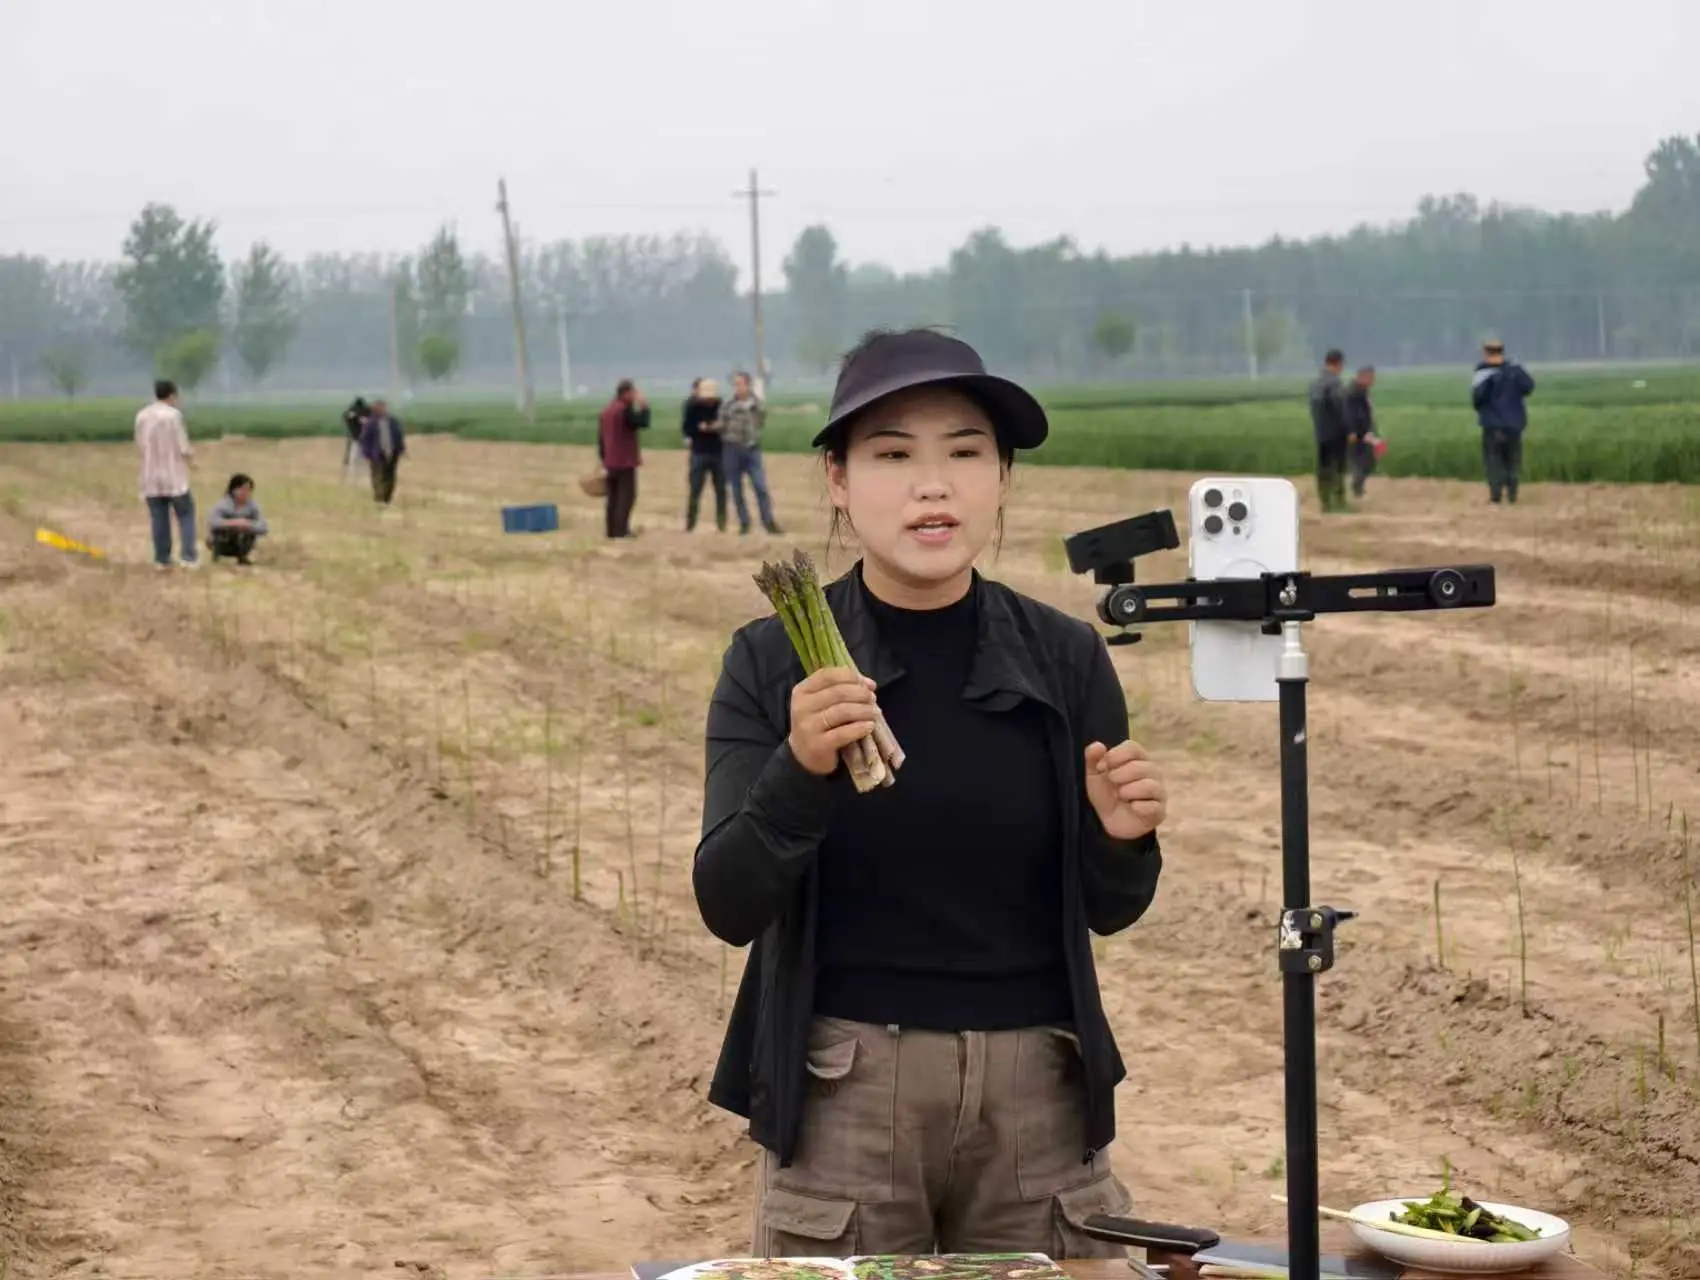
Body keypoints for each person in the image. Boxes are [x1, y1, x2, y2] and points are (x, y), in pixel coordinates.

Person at [693, 327, 1168, 1257]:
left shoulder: (1064, 659)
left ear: (1000, 479)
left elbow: (1111, 909)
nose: (932, 484)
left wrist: (1121, 840)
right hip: (845, 1097)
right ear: (837, 478)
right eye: (892, 453)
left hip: (1041, 1098)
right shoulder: (773, 658)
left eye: (965, 452)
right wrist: (802, 766)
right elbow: (727, 899)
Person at [135, 378, 199, 570]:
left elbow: (140, 444)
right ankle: (188, 557)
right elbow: (183, 446)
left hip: (151, 476)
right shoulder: (173, 416)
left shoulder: (142, 415)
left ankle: (162, 559)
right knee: (186, 514)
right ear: (172, 395)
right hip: (174, 476)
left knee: (159, 518)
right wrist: (193, 461)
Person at [1471, 340, 1536, 504]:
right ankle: (1513, 496)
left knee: (1493, 460)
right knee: (1513, 460)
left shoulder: (1482, 372)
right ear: (1502, 351)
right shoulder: (1515, 370)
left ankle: (1496, 496)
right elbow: (1529, 387)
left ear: (1486, 352)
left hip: (1492, 424)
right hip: (1514, 423)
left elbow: (1477, 399)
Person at [721, 369, 782, 536]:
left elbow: (761, 421)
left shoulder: (756, 404)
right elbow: (722, 424)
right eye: (735, 384)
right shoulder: (728, 405)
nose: (738, 387)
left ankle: (768, 522)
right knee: (736, 489)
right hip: (732, 450)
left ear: (748, 385)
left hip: (752, 450)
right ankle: (744, 523)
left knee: (760, 487)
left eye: (741, 384)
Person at [598, 378, 651, 539]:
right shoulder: (624, 410)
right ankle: (621, 531)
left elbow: (600, 437)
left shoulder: (606, 410)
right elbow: (642, 423)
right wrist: (644, 407)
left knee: (612, 496)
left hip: (610, 461)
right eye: (633, 392)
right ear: (626, 393)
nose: (635, 395)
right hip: (625, 460)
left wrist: (603, 457)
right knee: (626, 496)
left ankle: (611, 530)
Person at [682, 376, 728, 532]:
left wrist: (715, 427)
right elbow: (687, 428)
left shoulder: (722, 406)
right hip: (699, 452)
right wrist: (700, 429)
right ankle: (690, 524)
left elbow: (726, 425)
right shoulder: (691, 406)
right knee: (695, 490)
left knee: (721, 490)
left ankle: (722, 524)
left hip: (718, 452)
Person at [1308, 349, 1350, 512]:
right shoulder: (1335, 383)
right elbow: (1340, 409)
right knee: (1338, 467)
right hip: (1336, 433)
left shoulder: (1315, 383)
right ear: (1338, 364)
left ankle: (1325, 501)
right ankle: (1339, 500)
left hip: (1321, 431)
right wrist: (1348, 429)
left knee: (1323, 467)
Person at [206, 473, 269, 564]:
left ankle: (242, 556)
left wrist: (248, 525)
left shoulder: (253, 507)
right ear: (233, 490)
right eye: (242, 489)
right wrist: (234, 523)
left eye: (248, 490)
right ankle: (218, 554)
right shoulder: (224, 505)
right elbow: (213, 522)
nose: (245, 493)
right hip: (224, 540)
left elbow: (263, 527)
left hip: (244, 539)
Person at [359, 397, 406, 505]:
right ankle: (379, 498)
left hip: (392, 452)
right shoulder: (370, 423)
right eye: (380, 407)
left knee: (390, 476)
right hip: (377, 454)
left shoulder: (393, 422)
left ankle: (387, 498)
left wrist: (401, 449)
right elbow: (365, 440)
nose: (383, 409)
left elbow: (398, 436)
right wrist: (367, 454)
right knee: (378, 475)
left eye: (384, 407)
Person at [1344, 365, 1379, 500]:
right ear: (1362, 377)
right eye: (1370, 377)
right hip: (1355, 432)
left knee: (1370, 459)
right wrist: (1351, 430)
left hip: (1365, 431)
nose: (1373, 380)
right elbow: (1348, 413)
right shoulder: (1352, 392)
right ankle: (1357, 488)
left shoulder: (1364, 391)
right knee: (1361, 460)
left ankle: (1358, 486)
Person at [342, 396, 371, 482]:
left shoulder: (358, 415)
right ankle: (360, 478)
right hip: (364, 440)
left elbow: (346, 416)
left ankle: (356, 478)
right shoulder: (366, 414)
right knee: (362, 460)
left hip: (359, 440)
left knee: (355, 459)